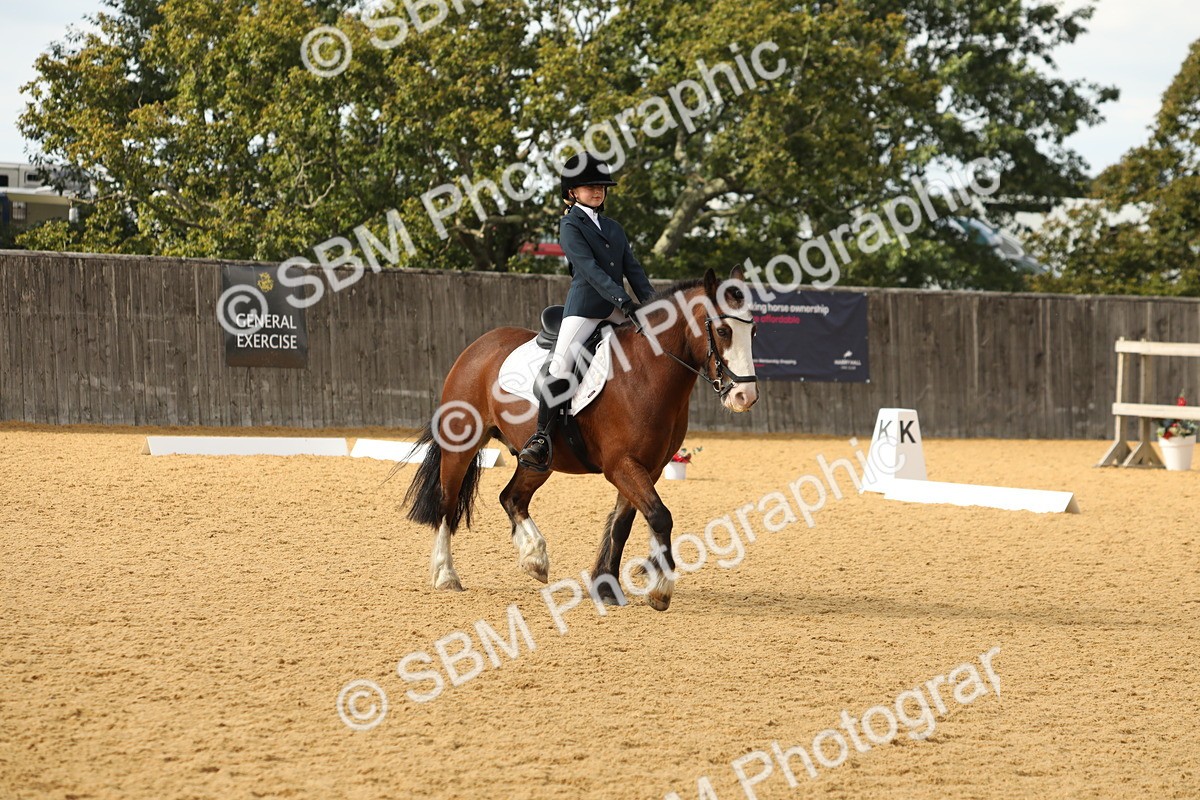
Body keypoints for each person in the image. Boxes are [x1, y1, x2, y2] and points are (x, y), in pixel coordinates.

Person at [517, 152, 655, 471]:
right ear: (571, 192)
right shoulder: (570, 225)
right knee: (561, 365)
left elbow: (634, 271)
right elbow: (590, 270)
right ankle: (540, 438)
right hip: (585, 309)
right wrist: (624, 301)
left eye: (601, 186)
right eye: (589, 186)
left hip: (617, 308)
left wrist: (652, 307)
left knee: (652, 346)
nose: (597, 191)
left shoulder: (614, 228)